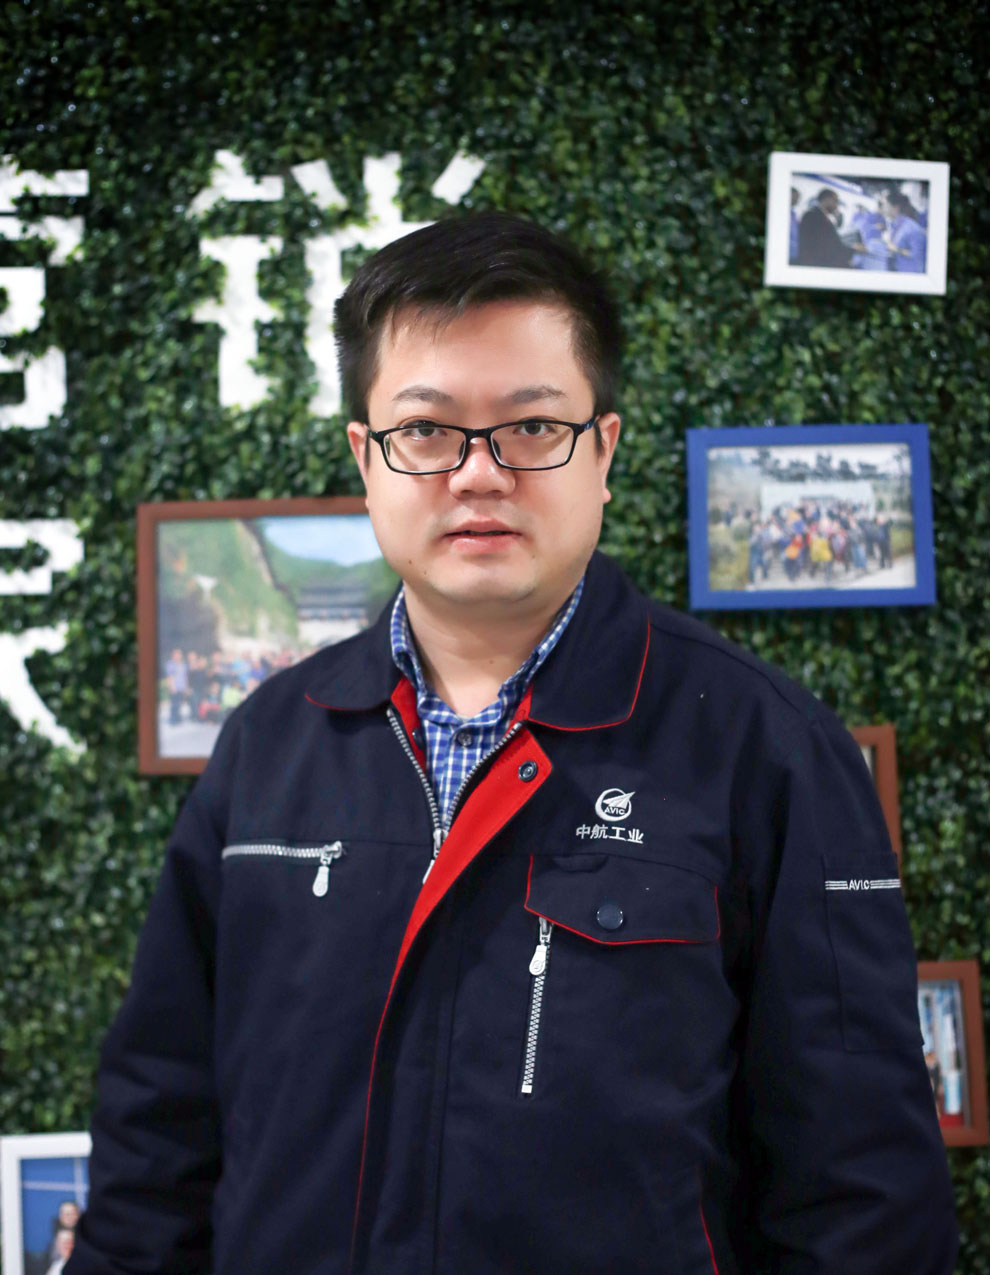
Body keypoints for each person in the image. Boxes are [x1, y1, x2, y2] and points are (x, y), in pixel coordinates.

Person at [67, 212, 957, 1275]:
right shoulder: (268, 745)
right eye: (426, 430)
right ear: (365, 458)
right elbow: (159, 1134)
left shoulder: (768, 749)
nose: (479, 474)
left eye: (533, 426)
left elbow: (863, 1191)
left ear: (604, 449)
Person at [798, 187, 858, 268]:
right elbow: (829, 247)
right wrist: (853, 249)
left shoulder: (820, 216)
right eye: (835, 201)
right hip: (818, 264)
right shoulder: (813, 216)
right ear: (826, 200)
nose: (837, 206)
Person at [881, 188, 928, 273]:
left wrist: (897, 249)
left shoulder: (911, 228)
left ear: (895, 208)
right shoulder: (893, 225)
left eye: (885, 205)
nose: (883, 208)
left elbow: (918, 256)